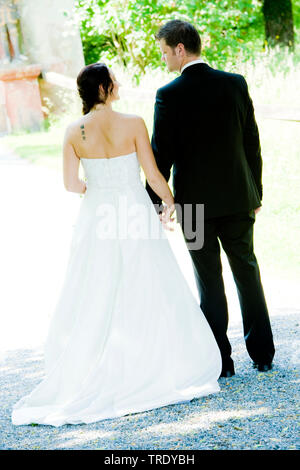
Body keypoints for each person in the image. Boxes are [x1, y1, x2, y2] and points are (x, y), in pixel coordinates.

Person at [11, 62, 222, 427]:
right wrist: (170, 203)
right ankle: (151, 360)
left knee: (97, 285)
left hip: (98, 216)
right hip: (134, 211)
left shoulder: (73, 132)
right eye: (115, 81)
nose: (119, 84)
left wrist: (97, 191)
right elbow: (153, 175)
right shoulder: (133, 123)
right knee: (146, 282)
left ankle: (99, 359)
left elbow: (71, 185)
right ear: (106, 87)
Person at [145, 20, 275, 378]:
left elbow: (161, 157)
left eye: (164, 51)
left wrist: (155, 205)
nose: (164, 58)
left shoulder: (168, 95)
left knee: (209, 280)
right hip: (237, 200)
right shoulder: (235, 84)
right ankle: (263, 354)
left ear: (179, 49)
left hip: (195, 209)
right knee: (248, 274)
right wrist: (256, 192)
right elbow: (252, 144)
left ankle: (222, 361)